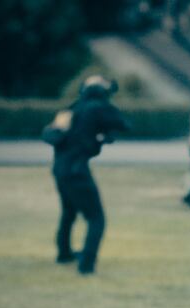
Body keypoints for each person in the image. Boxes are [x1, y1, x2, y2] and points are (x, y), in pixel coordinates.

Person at [47, 75, 128, 275]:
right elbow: (123, 123)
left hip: (59, 169)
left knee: (69, 212)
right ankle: (86, 265)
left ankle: (64, 253)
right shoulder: (98, 108)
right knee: (96, 218)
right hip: (77, 170)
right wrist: (103, 137)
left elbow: (52, 134)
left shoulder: (72, 109)